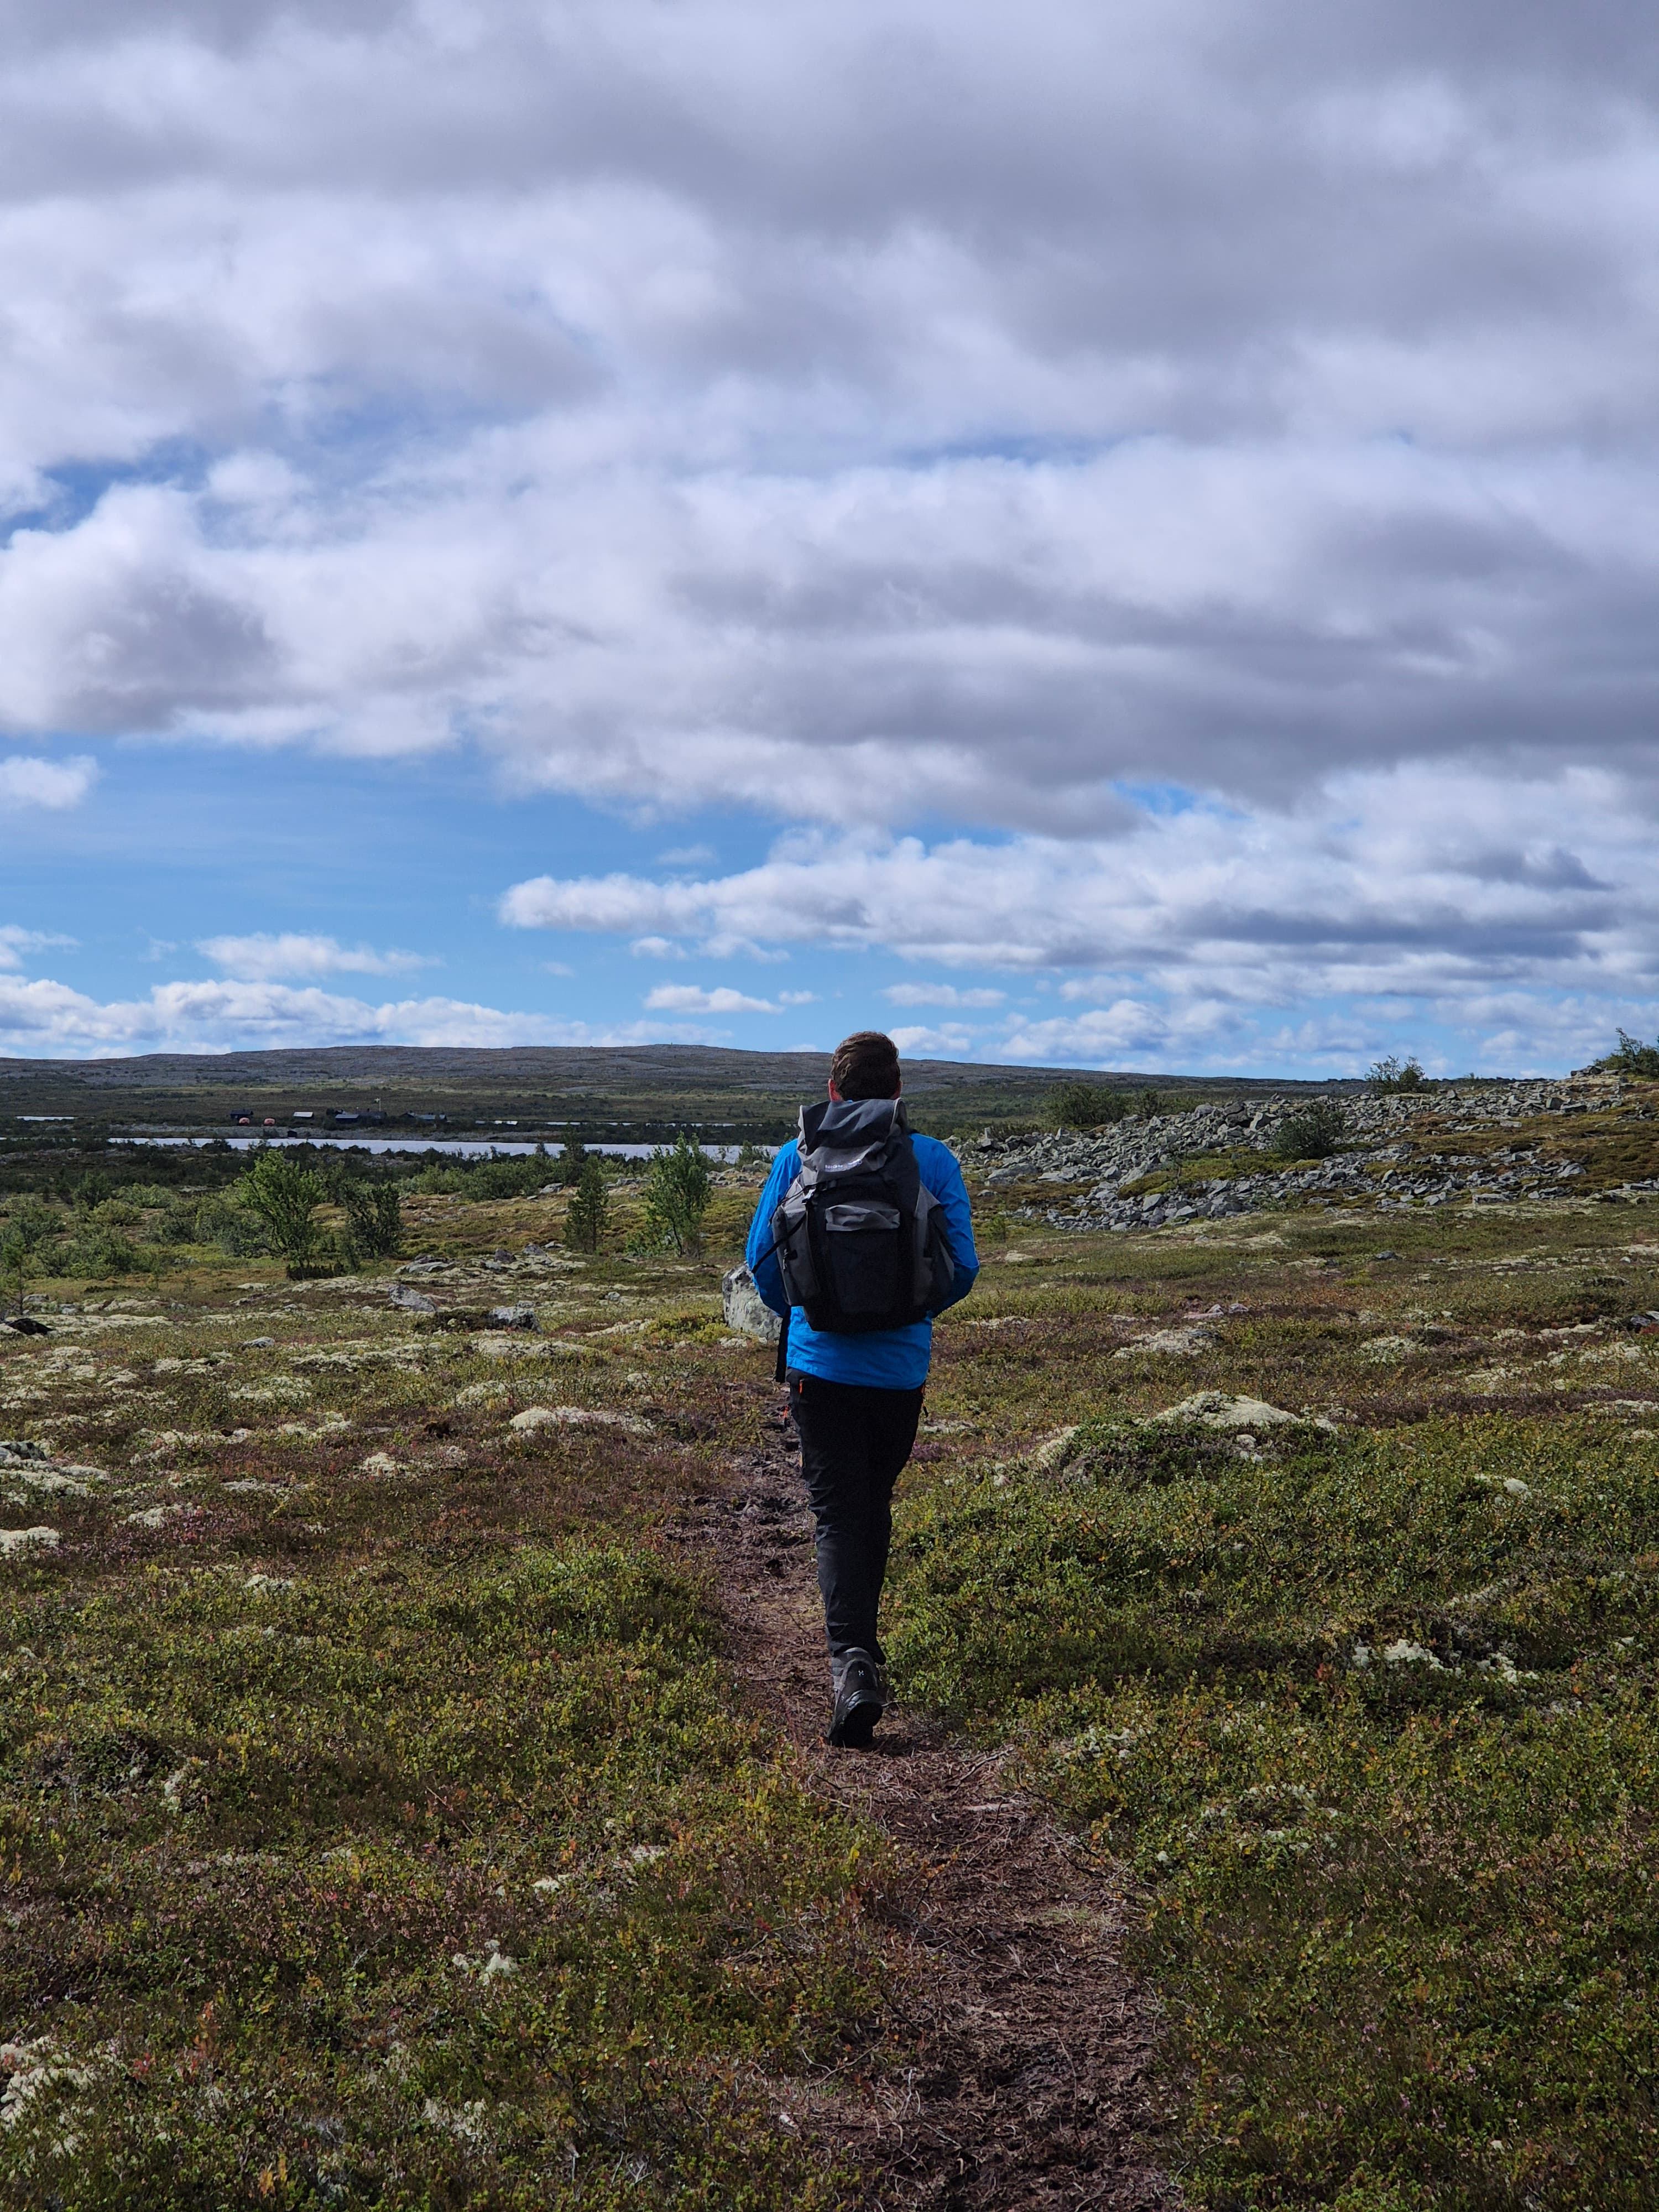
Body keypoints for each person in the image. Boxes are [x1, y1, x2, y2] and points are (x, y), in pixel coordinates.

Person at [746, 1030, 978, 1746]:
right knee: (868, 1504)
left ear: (833, 1091)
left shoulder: (797, 1155)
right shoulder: (931, 1159)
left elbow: (762, 1263)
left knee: (841, 1513)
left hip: (821, 1371)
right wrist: (905, 1314)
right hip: (900, 1373)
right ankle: (861, 1653)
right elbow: (962, 1268)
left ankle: (852, 1662)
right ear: (899, 1091)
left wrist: (816, 1314)